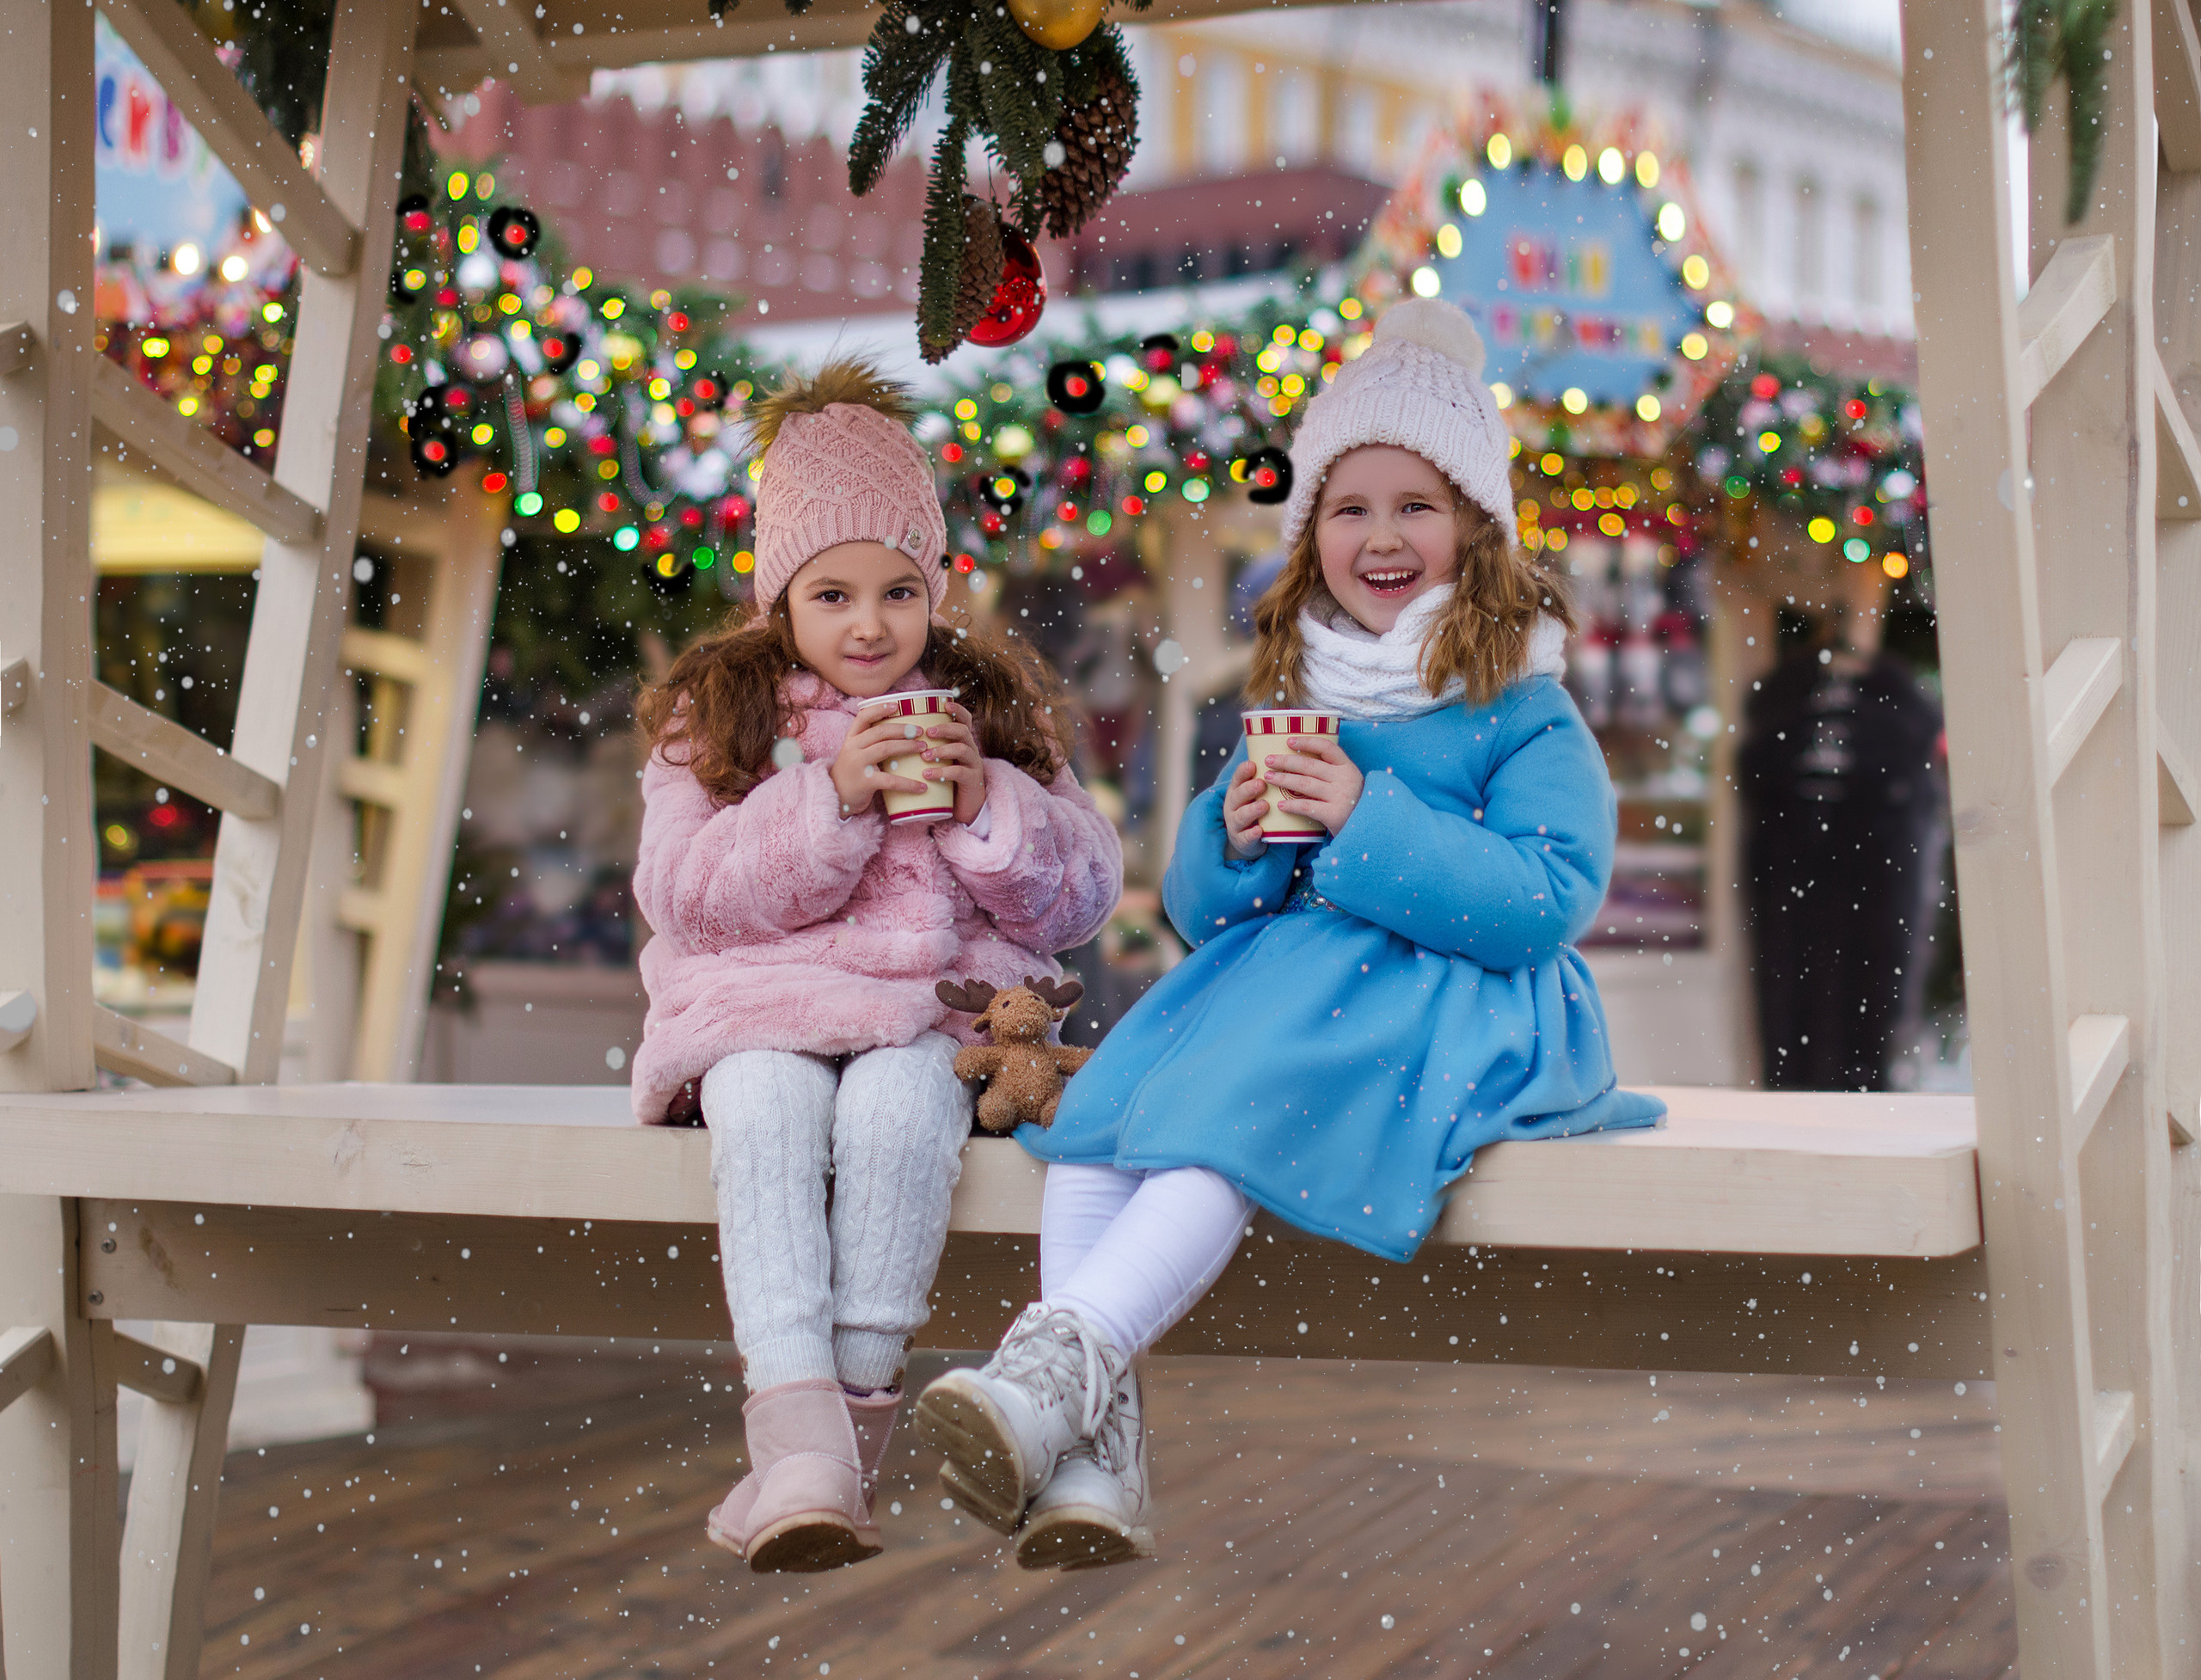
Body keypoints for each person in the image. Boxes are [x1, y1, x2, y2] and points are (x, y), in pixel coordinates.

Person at [915, 298, 1666, 1571]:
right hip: (1282, 992)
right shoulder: (1297, 686)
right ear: (1311, 531)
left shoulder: (1520, 707)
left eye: (1415, 505)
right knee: (1103, 1130)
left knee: (1221, 1123)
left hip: (1451, 999)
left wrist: (1370, 818)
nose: (1379, 536)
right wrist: (1243, 831)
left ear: (1477, 530)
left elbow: (1544, 900)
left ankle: (1061, 1364)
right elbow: (1205, 911)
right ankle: (1094, 1450)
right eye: (1348, 506)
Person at [630, 359, 1122, 1573]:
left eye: (899, 589)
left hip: (928, 1025)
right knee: (765, 1104)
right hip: (759, 1017)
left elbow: (1083, 893)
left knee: (905, 1106)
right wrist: (826, 803)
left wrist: (986, 805)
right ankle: (796, 1423)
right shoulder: (724, 716)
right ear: (778, 597)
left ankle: (838, 1443)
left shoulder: (989, 710)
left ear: (936, 589)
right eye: (833, 591)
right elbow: (684, 898)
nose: (868, 624)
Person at [1739, 604, 1945, 1090]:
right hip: (1801, 884)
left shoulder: (1896, 717)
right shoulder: (1785, 709)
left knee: (1861, 1009)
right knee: (1795, 1005)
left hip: (1867, 884)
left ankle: (1847, 1093)